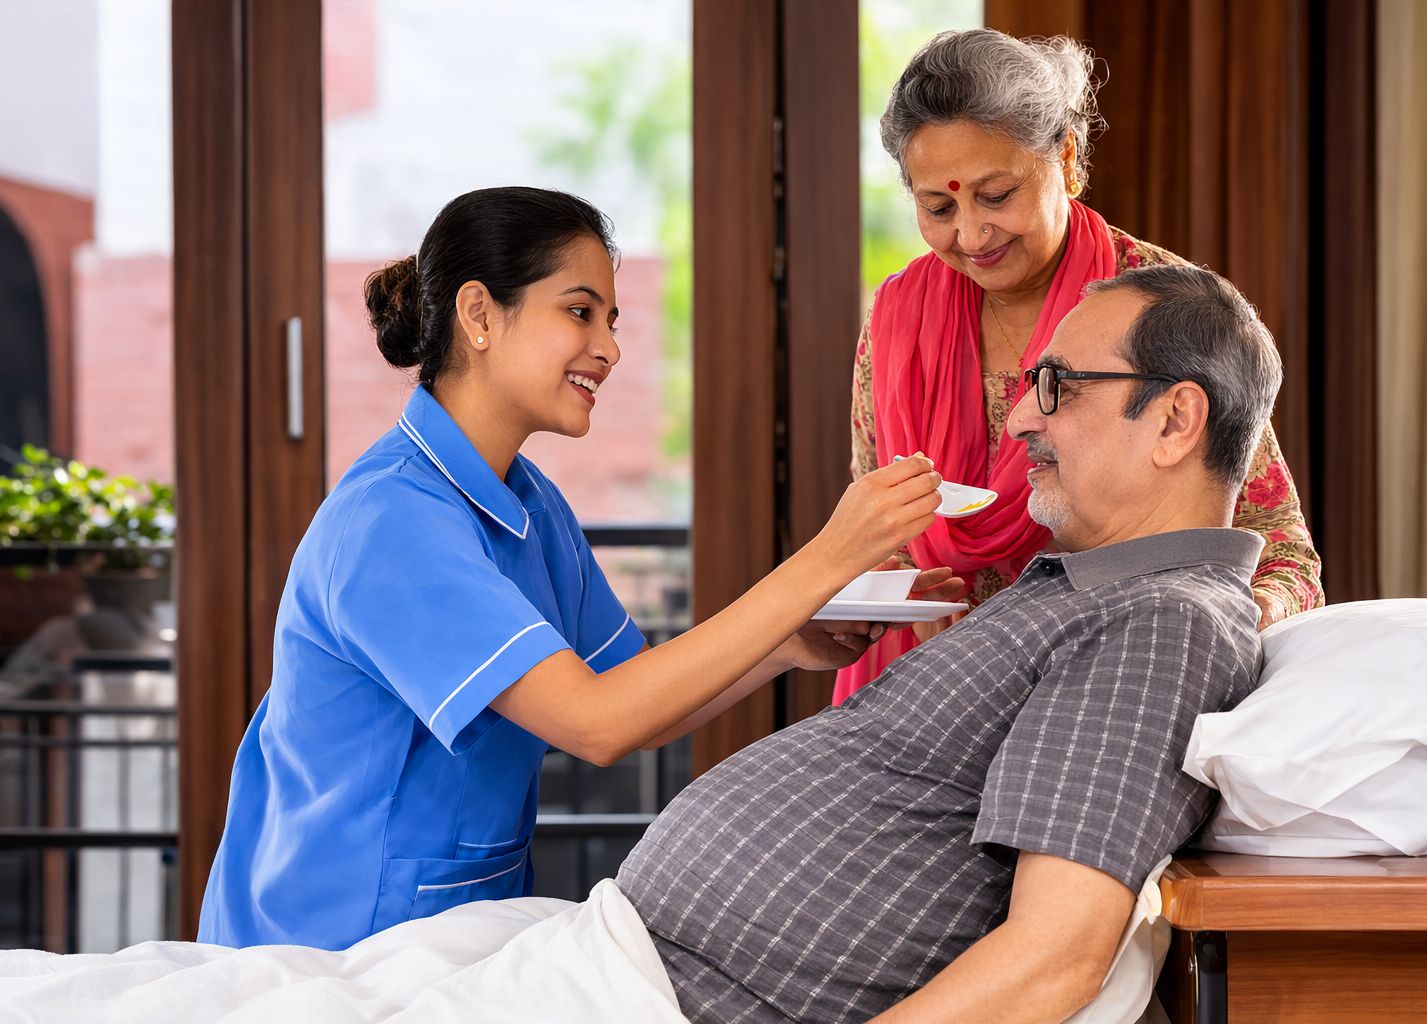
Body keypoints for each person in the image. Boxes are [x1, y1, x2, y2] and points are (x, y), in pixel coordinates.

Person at [197, 187, 951, 950]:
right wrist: (827, 558)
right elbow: (597, 724)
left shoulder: (526, 502)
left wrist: (793, 641)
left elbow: (636, 697)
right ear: (481, 315)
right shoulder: (392, 522)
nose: (610, 347)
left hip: (450, 931)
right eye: (580, 312)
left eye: (612, 321)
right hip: (329, 945)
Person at [618, 264, 1279, 1023]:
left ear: (1174, 421)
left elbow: (1054, 958)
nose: (1020, 420)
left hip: (679, 994)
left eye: (1058, 386)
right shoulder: (1093, 593)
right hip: (642, 965)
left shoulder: (1165, 624)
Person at [835, 29, 1323, 703]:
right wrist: (895, 588)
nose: (971, 236)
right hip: (933, 687)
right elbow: (880, 524)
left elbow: (1281, 551)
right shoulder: (897, 321)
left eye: (997, 194)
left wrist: (1232, 623)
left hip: (1111, 686)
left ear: (1064, 157)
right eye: (939, 207)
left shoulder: (1159, 301)